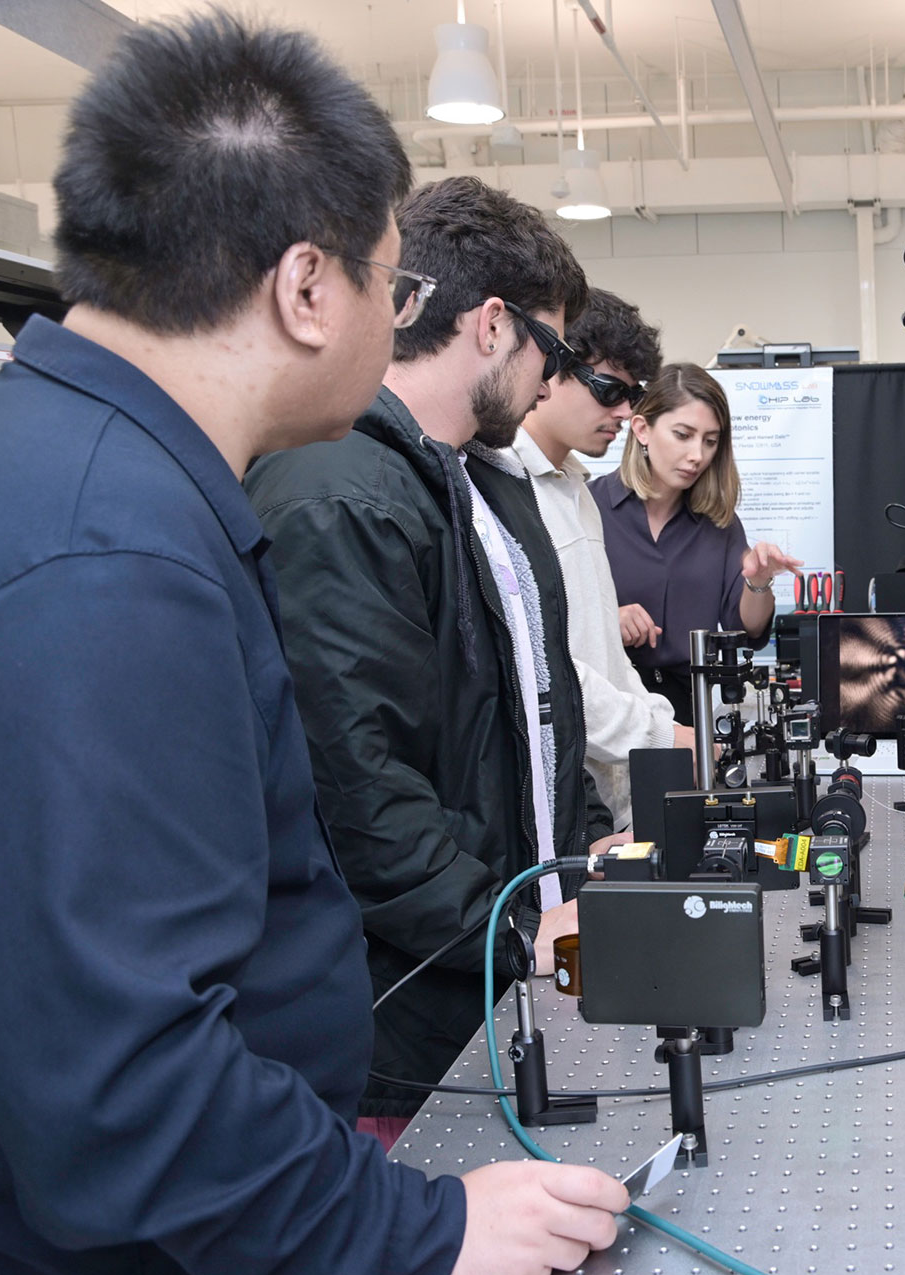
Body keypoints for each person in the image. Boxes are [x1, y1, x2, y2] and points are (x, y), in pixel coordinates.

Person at [0, 14, 625, 1275]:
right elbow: (126, 1079)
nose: (397, 323)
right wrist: (423, 1238)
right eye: (391, 287)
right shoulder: (98, 559)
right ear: (305, 287)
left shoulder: (59, 473)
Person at [245, 175, 621, 1134]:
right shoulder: (341, 494)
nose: (553, 380)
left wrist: (588, 838)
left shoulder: (477, 486)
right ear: (492, 326)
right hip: (403, 1029)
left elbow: (530, 706)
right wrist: (521, 927)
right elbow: (361, 790)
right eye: (555, 348)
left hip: (490, 979)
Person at [511, 289, 696, 828]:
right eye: (609, 390)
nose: (626, 413)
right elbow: (551, 676)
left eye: (634, 394)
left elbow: (609, 665)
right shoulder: (509, 494)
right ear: (549, 369)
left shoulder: (574, 489)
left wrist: (671, 733)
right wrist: (667, 737)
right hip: (565, 809)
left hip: (614, 804)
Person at [593, 362, 803, 725]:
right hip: (608, 708)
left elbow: (749, 629)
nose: (698, 456)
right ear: (642, 429)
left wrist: (759, 580)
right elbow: (554, 619)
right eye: (683, 435)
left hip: (689, 713)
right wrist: (608, 621)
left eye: (710, 441)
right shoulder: (588, 507)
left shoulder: (719, 524)